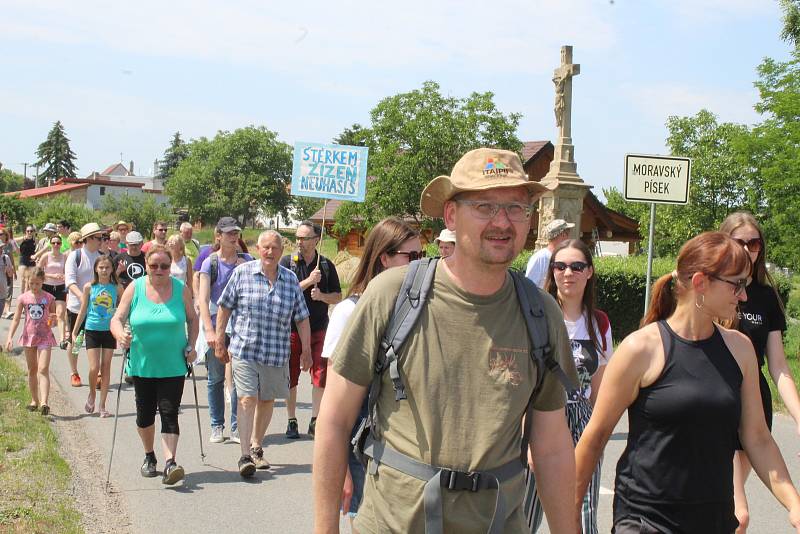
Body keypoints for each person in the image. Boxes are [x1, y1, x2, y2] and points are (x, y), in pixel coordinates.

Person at [313, 147, 578, 533]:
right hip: (394, 524)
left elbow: (552, 446)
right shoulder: (393, 295)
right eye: (485, 206)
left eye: (516, 208)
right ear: (451, 215)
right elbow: (334, 420)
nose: (502, 222)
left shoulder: (541, 314)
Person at [574, 232, 800, 533]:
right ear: (700, 283)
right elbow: (595, 437)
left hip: (714, 520)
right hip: (645, 520)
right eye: (737, 285)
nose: (743, 296)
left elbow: (757, 437)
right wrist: (569, 515)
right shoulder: (641, 349)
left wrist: (794, 504)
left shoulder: (740, 349)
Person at [320, 216, 421, 525]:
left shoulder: (414, 310)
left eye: (423, 256)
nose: (421, 264)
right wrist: (343, 471)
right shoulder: (350, 311)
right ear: (384, 258)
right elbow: (334, 408)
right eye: (412, 256)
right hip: (361, 446)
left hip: (403, 451)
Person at [523, 239, 613, 534]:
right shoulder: (537, 318)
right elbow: (524, 383)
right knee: (524, 513)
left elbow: (600, 388)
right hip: (541, 419)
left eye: (577, 266)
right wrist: (526, 440)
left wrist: (597, 436)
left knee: (583, 516)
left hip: (582, 422)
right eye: (559, 266)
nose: (567, 273)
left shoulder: (599, 323)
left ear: (589, 272)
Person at [719, 212, 800, 532]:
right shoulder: (712, 288)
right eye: (741, 242)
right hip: (716, 401)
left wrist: (797, 414)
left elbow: (779, 366)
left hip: (753, 404)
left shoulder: (767, 296)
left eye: (755, 243)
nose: (749, 250)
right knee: (737, 512)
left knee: (730, 512)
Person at [215, 230, 311, 477]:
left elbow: (302, 318)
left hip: (276, 353)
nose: (270, 252)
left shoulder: (290, 280)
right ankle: (245, 455)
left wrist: (307, 350)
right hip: (245, 350)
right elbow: (224, 307)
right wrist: (219, 339)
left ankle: (257, 445)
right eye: (265, 247)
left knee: (267, 400)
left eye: (275, 248)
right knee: (247, 398)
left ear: (281, 251)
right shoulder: (242, 273)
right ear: (258, 249)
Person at [110, 245, 198, 485]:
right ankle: (150, 456)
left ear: (171, 267)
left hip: (173, 364)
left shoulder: (181, 290)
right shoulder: (135, 288)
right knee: (145, 415)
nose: (159, 270)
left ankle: (171, 463)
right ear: (146, 266)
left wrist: (191, 345)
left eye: (165, 266)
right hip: (142, 364)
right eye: (154, 266)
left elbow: (192, 318)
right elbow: (117, 318)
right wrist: (120, 335)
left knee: (170, 412)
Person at [281, 220, 341, 439]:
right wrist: (308, 282)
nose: (300, 242)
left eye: (305, 238)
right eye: (297, 237)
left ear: (316, 240)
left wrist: (322, 296)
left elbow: (338, 295)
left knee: (320, 374)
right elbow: (284, 291)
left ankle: (315, 419)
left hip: (319, 328)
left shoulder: (325, 265)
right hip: (292, 329)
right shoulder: (288, 263)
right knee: (291, 374)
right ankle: (291, 419)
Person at [198, 217, 250, 445]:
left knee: (239, 379)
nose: (233, 236)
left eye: (236, 232)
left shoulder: (248, 261)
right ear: (218, 236)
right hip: (216, 323)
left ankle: (237, 426)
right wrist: (209, 331)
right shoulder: (211, 262)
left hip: (241, 327)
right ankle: (217, 425)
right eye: (228, 233)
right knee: (216, 378)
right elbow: (203, 298)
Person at [71, 255, 121, 418]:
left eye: (107, 267)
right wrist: (75, 330)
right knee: (94, 368)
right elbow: (84, 309)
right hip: (92, 329)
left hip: (109, 331)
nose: (104, 270)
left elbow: (123, 309)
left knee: (106, 367)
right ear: (96, 269)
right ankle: (92, 393)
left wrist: (124, 326)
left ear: (112, 269)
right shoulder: (89, 287)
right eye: (101, 267)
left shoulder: (117, 287)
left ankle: (102, 406)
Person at [4, 268, 57, 416]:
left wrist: (54, 320)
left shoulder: (49, 298)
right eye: (31, 283)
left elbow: (53, 319)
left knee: (43, 368)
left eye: (38, 284)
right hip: (29, 337)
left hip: (45, 337)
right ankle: (34, 400)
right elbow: (16, 319)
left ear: (43, 282)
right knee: (32, 370)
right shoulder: (23, 298)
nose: (34, 286)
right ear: (27, 281)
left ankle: (44, 402)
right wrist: (9, 337)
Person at [65, 223, 105, 387]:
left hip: (99, 309)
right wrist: (82, 296)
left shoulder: (102, 257)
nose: (101, 240)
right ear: (88, 239)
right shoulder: (75, 256)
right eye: (98, 238)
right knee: (76, 342)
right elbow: (70, 281)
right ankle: (74, 372)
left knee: (98, 341)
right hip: (77, 307)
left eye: (102, 237)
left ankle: (98, 373)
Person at [37, 233, 68, 348]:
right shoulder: (46, 256)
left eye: (58, 243)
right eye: (54, 243)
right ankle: (47, 335)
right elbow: (38, 272)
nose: (56, 245)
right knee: (48, 314)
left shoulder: (64, 257)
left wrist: (64, 276)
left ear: (61, 244)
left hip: (60, 287)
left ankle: (62, 340)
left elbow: (67, 271)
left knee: (60, 313)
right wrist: (52, 275)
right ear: (50, 244)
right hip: (47, 287)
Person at [525, 218, 575, 288]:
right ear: (562, 235)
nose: (569, 238)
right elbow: (528, 286)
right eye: (567, 234)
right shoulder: (540, 258)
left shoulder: (562, 257)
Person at [167, 234, 193, 299]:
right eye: (170, 242)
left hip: (182, 293)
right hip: (168, 293)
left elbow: (190, 282)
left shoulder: (186, 261)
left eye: (174, 242)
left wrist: (190, 297)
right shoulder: (166, 260)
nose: (171, 244)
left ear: (180, 246)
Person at [1, 227, 19, 319]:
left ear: (5, 235)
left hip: (8, 271)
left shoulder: (9, 244)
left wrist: (14, 271)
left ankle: (7, 310)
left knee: (9, 289)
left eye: (1, 234)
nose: (0, 236)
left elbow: (11, 258)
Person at [18, 225, 38, 295]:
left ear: (33, 232)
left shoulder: (35, 240)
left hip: (31, 261)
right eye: (28, 231)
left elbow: (38, 250)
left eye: (31, 231)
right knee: (23, 279)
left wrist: (36, 258)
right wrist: (18, 251)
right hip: (23, 260)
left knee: (29, 279)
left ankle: (28, 295)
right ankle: (21, 296)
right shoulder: (22, 239)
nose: (29, 232)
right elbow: (12, 241)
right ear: (25, 232)